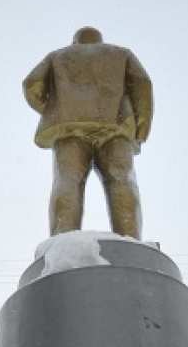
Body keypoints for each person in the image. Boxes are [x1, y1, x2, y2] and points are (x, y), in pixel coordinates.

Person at [23, 26, 153, 239]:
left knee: (66, 181)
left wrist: (53, 108)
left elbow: (31, 84)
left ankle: (62, 240)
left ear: (75, 42)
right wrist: (142, 126)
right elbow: (142, 85)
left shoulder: (57, 56)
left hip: (69, 129)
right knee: (122, 179)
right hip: (115, 127)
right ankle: (131, 240)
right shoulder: (121, 54)